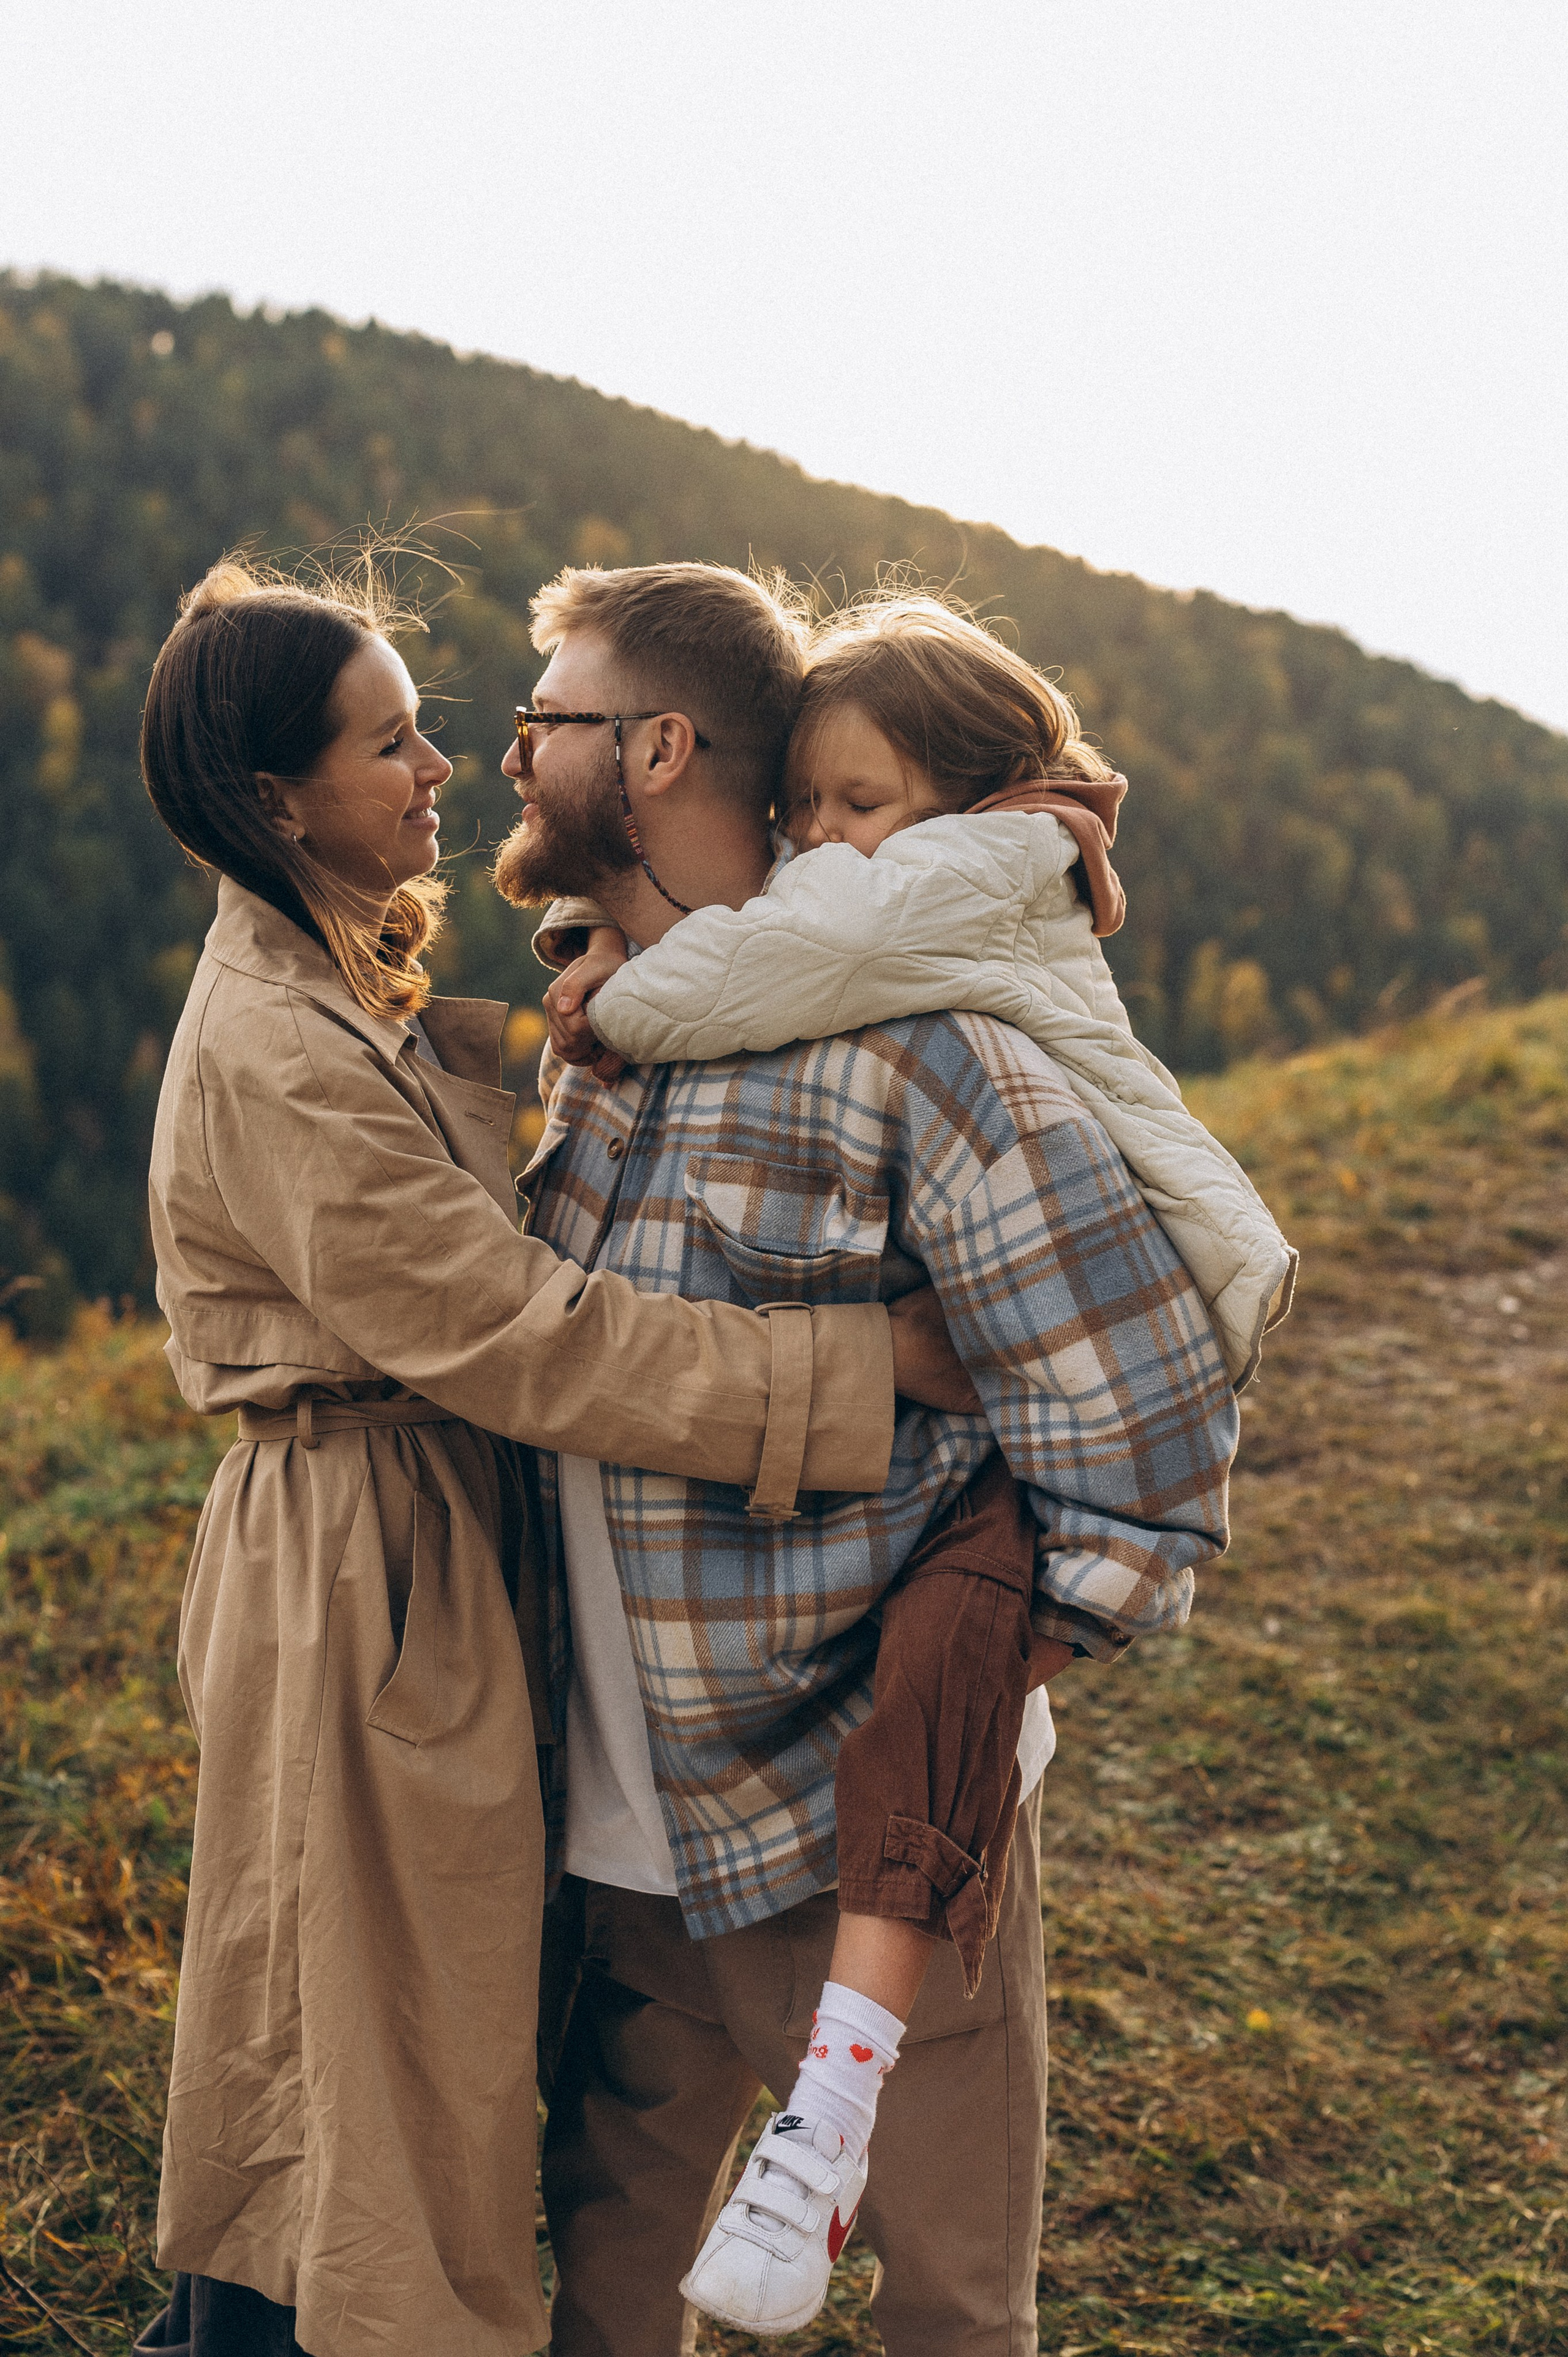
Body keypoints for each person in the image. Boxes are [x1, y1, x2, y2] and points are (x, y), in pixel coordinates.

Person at [131, 557, 970, 2357]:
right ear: (278, 797)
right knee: (354, 2047)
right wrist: (860, 1372)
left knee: (366, 2031)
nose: (443, 768)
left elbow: (460, 1093)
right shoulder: (281, 1043)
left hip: (419, 1543)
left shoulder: (337, 972)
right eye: (391, 742)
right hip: (360, 1575)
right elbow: (525, 1334)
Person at [494, 561, 1241, 2353]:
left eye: (547, 719)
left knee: (953, 2302)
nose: (510, 757)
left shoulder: (926, 1053)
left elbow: (1145, 1414)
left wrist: (975, 1677)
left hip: (844, 1819)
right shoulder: (615, 1037)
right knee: (606, 2273)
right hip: (619, 1804)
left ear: (656, 747)